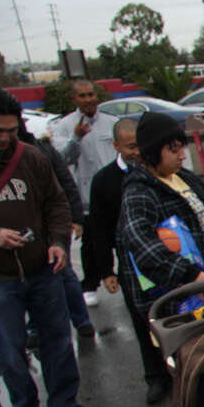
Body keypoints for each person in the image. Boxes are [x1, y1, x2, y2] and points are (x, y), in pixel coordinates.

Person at [117, 113, 204, 407]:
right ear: (153, 151)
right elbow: (141, 243)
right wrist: (189, 275)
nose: (183, 155)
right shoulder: (139, 191)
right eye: (173, 149)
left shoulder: (183, 179)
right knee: (193, 367)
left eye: (182, 147)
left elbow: (198, 223)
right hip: (179, 297)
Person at [0, 88, 95, 407]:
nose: (5, 138)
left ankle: (64, 402)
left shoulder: (31, 156)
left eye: (10, 129)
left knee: (57, 340)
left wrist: (58, 243)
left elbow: (57, 203)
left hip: (42, 269)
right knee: (10, 351)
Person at [88, 117, 173, 404]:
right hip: (131, 267)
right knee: (143, 323)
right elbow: (98, 228)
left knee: (172, 320)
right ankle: (155, 378)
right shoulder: (105, 180)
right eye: (130, 146)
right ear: (116, 145)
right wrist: (106, 271)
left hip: (166, 261)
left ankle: (177, 373)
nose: (136, 152)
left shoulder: (160, 175)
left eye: (140, 145)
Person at [17, 119, 95, 339]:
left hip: (49, 229)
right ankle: (38, 328)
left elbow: (64, 184)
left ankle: (81, 322)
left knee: (62, 273)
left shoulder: (41, 152)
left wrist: (75, 218)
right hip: (29, 232)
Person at [51, 79, 118, 307]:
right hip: (88, 197)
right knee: (92, 243)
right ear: (74, 99)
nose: (88, 99)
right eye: (82, 96)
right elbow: (62, 159)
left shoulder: (112, 123)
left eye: (91, 94)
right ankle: (90, 285)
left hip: (116, 194)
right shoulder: (64, 126)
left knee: (123, 239)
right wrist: (76, 137)